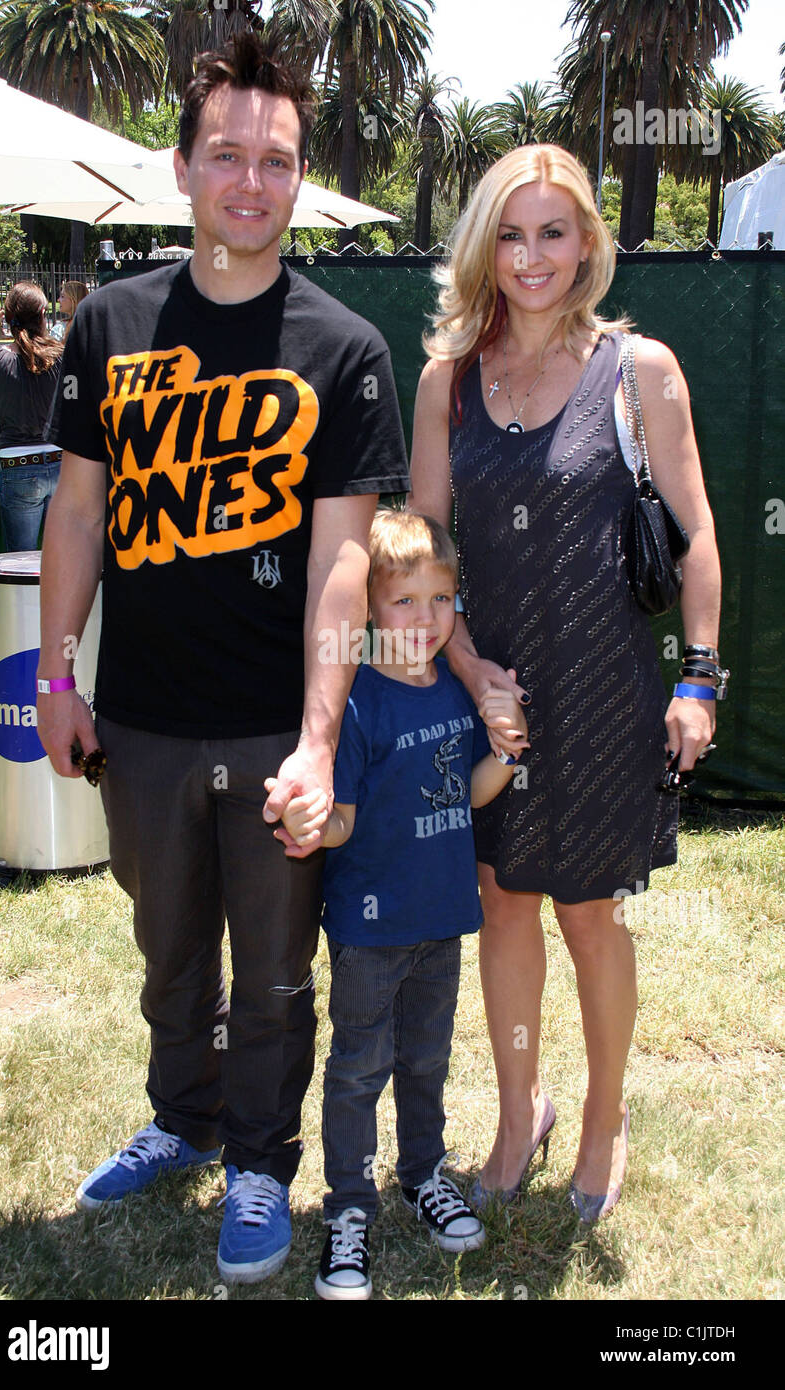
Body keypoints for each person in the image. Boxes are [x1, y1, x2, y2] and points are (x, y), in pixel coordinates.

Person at [36, 32, 409, 1286]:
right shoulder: (107, 321)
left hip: (268, 724)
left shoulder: (346, 349)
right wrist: (53, 678)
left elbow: (343, 562)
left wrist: (315, 736)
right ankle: (180, 1113)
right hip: (138, 715)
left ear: (298, 180)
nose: (252, 181)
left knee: (273, 967)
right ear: (184, 168)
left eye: (278, 161)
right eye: (229, 156)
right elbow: (76, 513)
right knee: (167, 945)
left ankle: (257, 1158)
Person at [409, 145, 722, 1223]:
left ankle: (602, 1120)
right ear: (481, 246)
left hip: (602, 692)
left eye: (552, 231)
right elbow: (419, 548)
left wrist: (698, 680)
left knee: (589, 913)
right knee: (500, 902)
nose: (530, 256)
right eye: (509, 232)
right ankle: (515, 1112)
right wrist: (462, 667)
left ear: (587, 241)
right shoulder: (445, 379)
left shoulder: (641, 370)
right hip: (489, 701)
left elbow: (692, 538)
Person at [273, 509, 528, 1299]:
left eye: (440, 600)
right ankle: (348, 1209)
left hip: (442, 920)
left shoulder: (453, 690)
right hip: (368, 934)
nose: (425, 620)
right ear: (370, 609)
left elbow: (470, 793)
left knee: (426, 1062)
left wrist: (506, 757)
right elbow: (341, 819)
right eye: (403, 602)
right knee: (358, 1070)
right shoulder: (356, 704)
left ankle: (421, 1175)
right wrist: (309, 821)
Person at [0, 282, 63, 550]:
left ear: (7, 319)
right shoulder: (59, 357)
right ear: (43, 314)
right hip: (58, 462)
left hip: (18, 465)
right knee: (62, 554)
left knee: (19, 560)